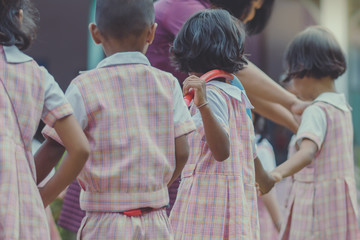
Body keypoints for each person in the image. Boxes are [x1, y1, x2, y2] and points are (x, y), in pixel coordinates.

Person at [35, 0, 196, 239]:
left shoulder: (84, 87)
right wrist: (154, 188)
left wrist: (31, 192)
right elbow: (182, 152)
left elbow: (53, 149)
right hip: (156, 222)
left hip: (105, 223)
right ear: (151, 32)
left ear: (95, 34)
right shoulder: (169, 84)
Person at [147, 0, 305, 214]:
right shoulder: (193, 14)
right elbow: (243, 79)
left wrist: (293, 117)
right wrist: (292, 106)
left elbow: (223, 147)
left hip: (201, 199)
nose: (249, 17)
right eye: (256, 6)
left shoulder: (219, 93)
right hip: (217, 197)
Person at [169, 9, 276, 239]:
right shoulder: (236, 94)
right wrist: (263, 178)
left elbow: (221, 150)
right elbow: (249, 149)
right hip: (234, 204)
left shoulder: (211, 96)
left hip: (207, 205)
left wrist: (203, 105)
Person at [0, 0, 90, 239]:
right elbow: (80, 148)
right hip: (19, 199)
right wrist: (42, 197)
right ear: (18, 17)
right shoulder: (37, 75)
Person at [270, 26, 360, 239]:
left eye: (292, 75)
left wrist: (276, 174)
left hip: (315, 208)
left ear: (302, 69)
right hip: (337, 207)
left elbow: (308, 152)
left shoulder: (316, 110)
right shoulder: (342, 109)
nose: (292, 84)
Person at [253, 113, 282, 239]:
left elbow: (266, 189)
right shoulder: (261, 148)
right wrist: (280, 224)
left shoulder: (260, 149)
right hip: (262, 222)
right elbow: (267, 193)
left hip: (258, 221)